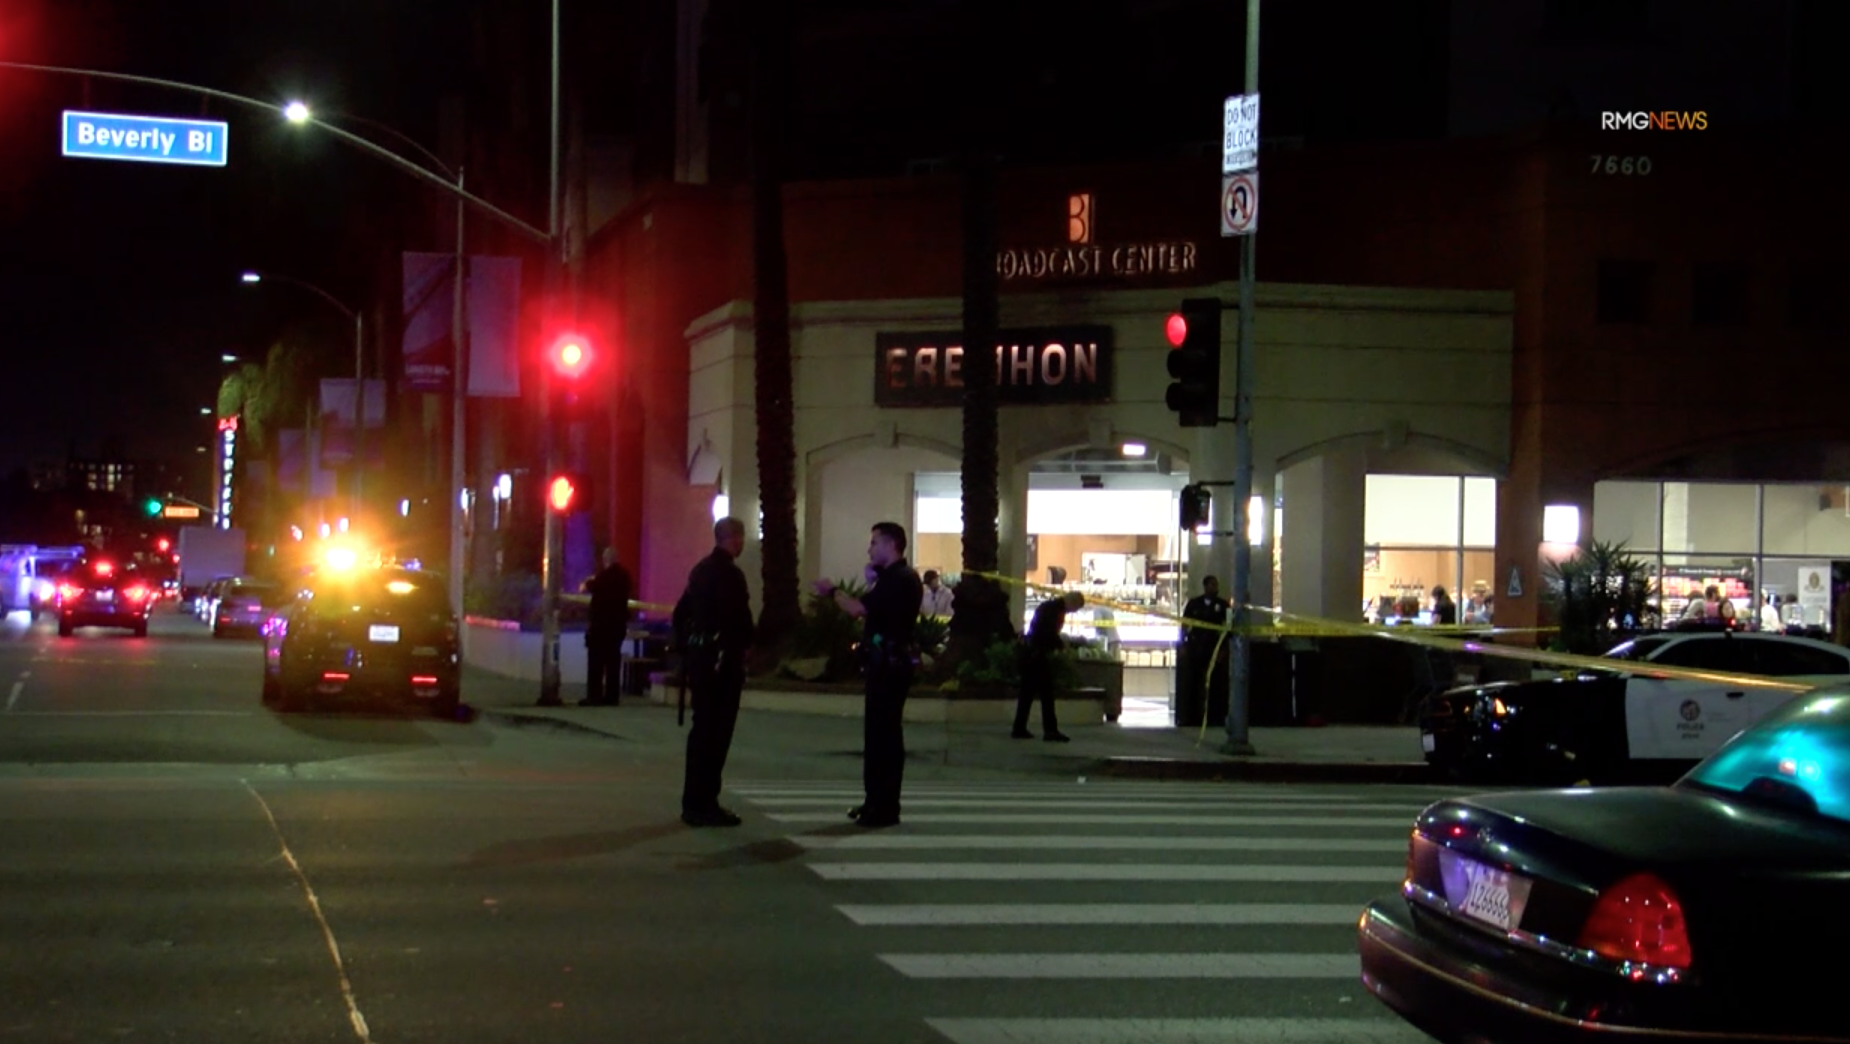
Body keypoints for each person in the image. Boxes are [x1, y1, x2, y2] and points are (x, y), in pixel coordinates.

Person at [816, 521, 922, 829]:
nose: (869, 548)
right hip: (884, 663)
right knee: (876, 736)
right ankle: (874, 800)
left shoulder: (900, 579)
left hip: (890, 665)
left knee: (885, 736)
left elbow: (857, 609)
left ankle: (885, 807)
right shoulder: (892, 578)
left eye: (875, 542)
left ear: (891, 545)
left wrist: (832, 590)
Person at [672, 517, 755, 828]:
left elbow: (681, 614)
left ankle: (693, 801)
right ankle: (706, 803)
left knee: (701, 731)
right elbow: (740, 621)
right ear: (734, 539)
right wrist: (745, 648)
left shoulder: (700, 571)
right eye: (741, 538)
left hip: (701, 660)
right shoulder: (731, 575)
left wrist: (688, 651)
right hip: (723, 662)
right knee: (717, 735)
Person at [1015, 591, 1082, 742]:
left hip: (1031, 653)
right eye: (1076, 608)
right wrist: (1061, 646)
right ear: (1072, 602)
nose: (1073, 612)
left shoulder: (1048, 607)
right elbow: (1048, 633)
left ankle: (1019, 727)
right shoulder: (1055, 611)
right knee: (1046, 694)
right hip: (1038, 655)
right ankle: (1050, 731)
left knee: (1027, 693)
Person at [580, 547, 633, 706]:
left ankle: (594, 696)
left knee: (596, 663)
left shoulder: (602, 578)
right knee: (613, 662)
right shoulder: (624, 577)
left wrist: (587, 582)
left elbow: (590, 586)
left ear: (606, 560)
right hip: (617, 626)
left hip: (600, 627)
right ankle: (612, 696)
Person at [1177, 576, 1230, 727]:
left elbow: (1228, 628)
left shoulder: (1223, 605)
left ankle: (1215, 717)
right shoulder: (1194, 604)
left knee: (1215, 685)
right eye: (1212, 585)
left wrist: (1224, 650)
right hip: (1196, 648)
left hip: (1214, 648)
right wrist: (1183, 644)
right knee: (1194, 684)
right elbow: (1185, 625)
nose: (1215, 588)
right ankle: (1193, 717)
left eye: (1216, 585)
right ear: (1205, 586)